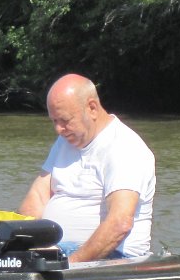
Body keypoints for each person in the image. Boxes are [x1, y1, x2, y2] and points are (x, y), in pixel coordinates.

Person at [18, 73, 154, 263]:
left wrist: (69, 265)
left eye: (65, 120)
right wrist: (20, 243)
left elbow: (120, 223)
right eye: (54, 121)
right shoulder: (65, 141)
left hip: (111, 256)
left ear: (92, 108)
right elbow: (38, 197)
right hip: (57, 249)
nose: (58, 129)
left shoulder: (125, 147)